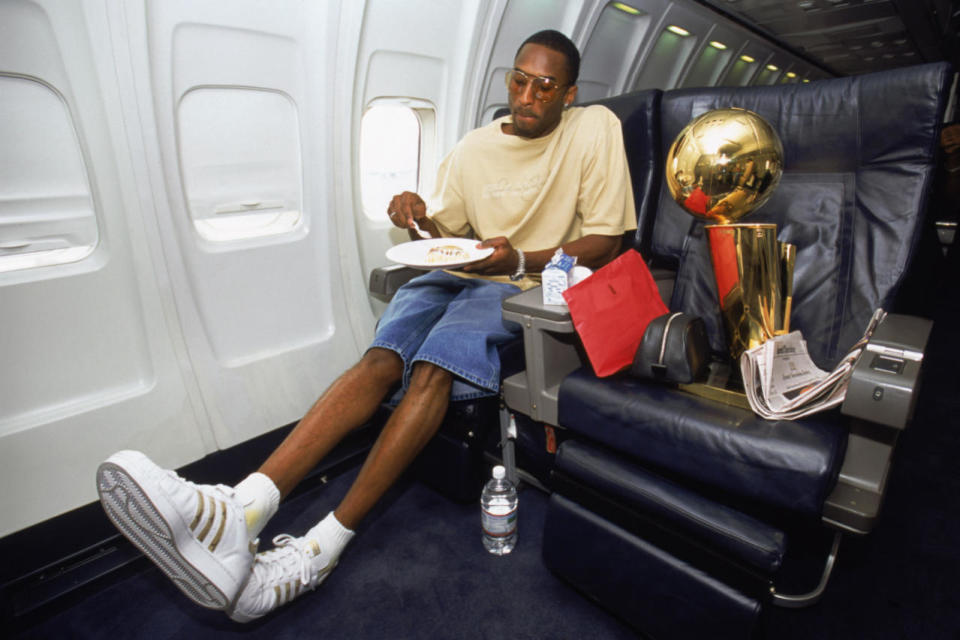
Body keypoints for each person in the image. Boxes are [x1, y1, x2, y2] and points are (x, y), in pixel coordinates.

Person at [95, 29, 636, 623]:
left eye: (544, 86)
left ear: (570, 93)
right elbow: (442, 240)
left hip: (528, 282)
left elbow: (609, 239)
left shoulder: (594, 129)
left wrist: (522, 260)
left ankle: (320, 549)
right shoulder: (474, 148)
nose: (527, 95)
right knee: (379, 361)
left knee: (432, 367)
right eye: (518, 80)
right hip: (466, 273)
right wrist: (415, 215)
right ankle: (240, 510)